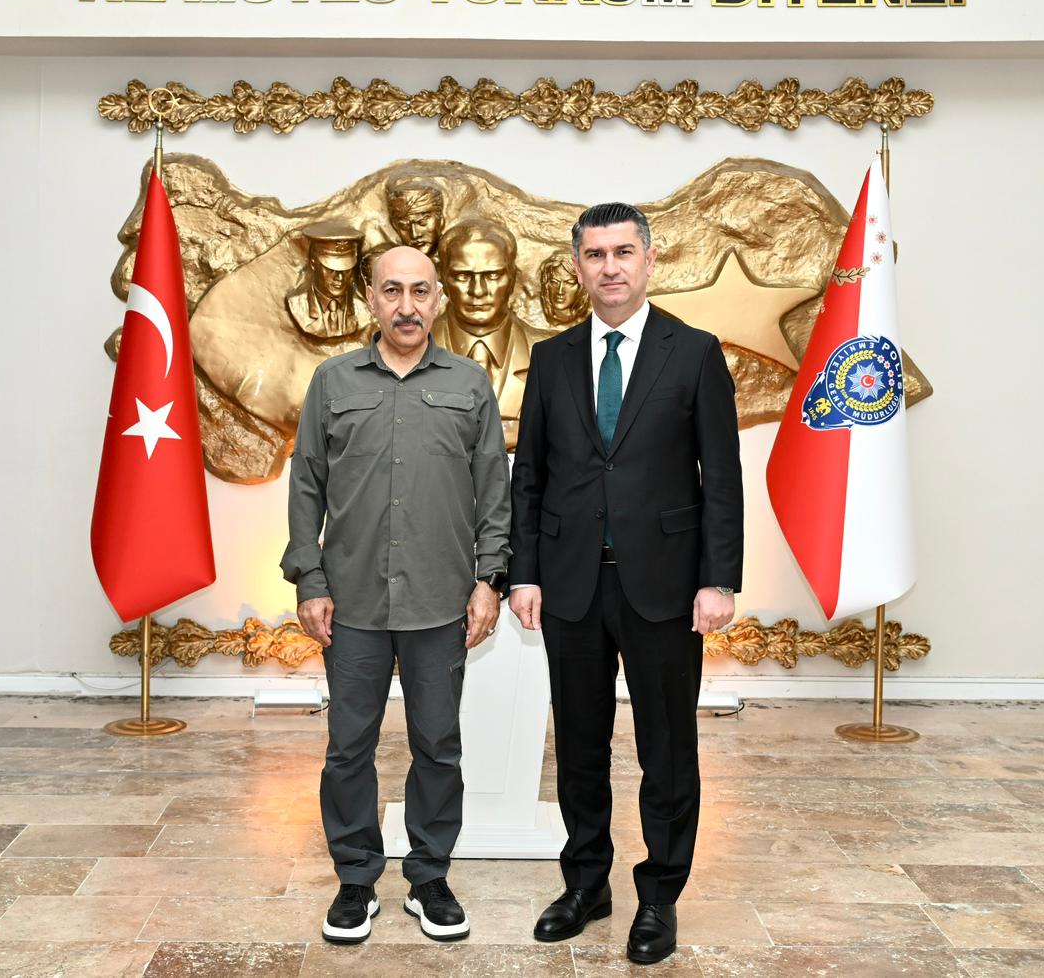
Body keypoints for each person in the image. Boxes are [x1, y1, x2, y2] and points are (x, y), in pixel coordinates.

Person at [509, 202, 743, 965]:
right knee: (579, 747)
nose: (609, 267)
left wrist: (719, 580)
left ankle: (659, 896)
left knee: (666, 751)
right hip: (570, 585)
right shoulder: (550, 359)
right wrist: (523, 573)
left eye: (622, 252)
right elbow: (530, 477)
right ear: (577, 267)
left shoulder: (695, 353)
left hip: (666, 588)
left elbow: (722, 477)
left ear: (649, 260)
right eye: (595, 254)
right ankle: (586, 885)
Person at [281, 245, 511, 945]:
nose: (406, 306)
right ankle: (355, 879)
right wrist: (310, 580)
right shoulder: (332, 381)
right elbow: (306, 484)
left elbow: (493, 492)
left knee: (437, 745)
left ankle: (429, 876)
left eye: (419, 291)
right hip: (351, 604)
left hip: (441, 603)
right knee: (348, 747)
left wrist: (489, 580)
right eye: (391, 291)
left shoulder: (470, 383)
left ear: (438, 299)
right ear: (372, 300)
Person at [431, 217, 544, 449]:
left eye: (492, 275)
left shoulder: (552, 354)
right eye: (463, 276)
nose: (478, 291)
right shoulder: (412, 351)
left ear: (512, 278)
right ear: (442, 279)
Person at [286, 221, 371, 340]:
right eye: (331, 269)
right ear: (313, 262)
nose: (339, 278)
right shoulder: (297, 304)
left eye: (346, 270)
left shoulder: (363, 309)